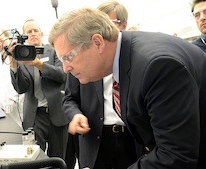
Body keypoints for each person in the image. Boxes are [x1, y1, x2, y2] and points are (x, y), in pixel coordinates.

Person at [48, 7, 206, 169]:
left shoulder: (157, 66)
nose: (66, 68)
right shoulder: (126, 55)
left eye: (68, 57)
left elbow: (175, 156)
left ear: (97, 42)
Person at [63, 1, 139, 169]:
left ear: (123, 25)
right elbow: (69, 99)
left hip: (131, 140)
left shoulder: (138, 62)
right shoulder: (81, 62)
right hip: (95, 139)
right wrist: (75, 115)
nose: (102, 30)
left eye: (109, 24)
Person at [8, 19, 68, 158]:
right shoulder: (20, 56)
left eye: (36, 30)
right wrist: (13, 61)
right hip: (35, 116)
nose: (33, 34)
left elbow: (62, 75)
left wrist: (38, 64)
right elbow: (20, 88)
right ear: (23, 36)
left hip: (57, 114)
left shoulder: (54, 51)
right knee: (34, 158)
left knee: (59, 158)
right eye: (29, 31)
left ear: (41, 34)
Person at [0, 29, 24, 127]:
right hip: (0, 108)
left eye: (1, 40)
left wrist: (12, 100)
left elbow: (21, 83)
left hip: (16, 106)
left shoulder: (18, 58)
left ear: (9, 39)